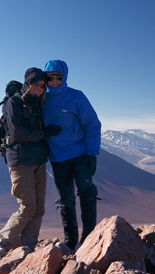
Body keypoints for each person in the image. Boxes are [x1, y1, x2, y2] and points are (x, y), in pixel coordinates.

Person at [0, 67, 61, 255]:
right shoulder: (14, 103)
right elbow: (18, 132)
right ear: (28, 84)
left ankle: (27, 247)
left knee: (39, 209)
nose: (41, 89)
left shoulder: (39, 104)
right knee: (27, 206)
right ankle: (2, 240)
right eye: (37, 85)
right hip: (20, 160)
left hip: (38, 160)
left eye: (43, 86)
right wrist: (43, 134)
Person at [42, 59, 102, 250]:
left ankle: (88, 238)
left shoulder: (76, 97)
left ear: (64, 77)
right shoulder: (42, 99)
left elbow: (92, 124)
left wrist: (92, 153)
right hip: (58, 159)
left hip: (80, 155)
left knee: (87, 194)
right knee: (65, 200)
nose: (53, 81)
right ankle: (70, 240)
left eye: (57, 77)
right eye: (49, 77)